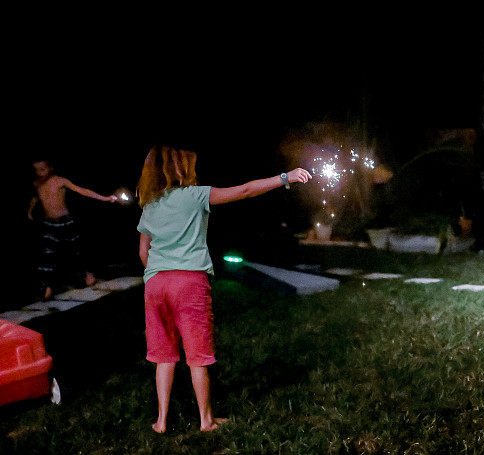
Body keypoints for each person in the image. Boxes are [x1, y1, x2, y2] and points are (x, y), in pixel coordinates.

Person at [136, 145, 311, 433]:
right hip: (189, 281)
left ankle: (162, 421)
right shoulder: (196, 195)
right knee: (196, 355)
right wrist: (284, 177)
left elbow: (144, 252)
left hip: (155, 283)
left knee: (163, 355)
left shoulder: (151, 204)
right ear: (177, 168)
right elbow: (244, 190)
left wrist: (158, 274)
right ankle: (206, 420)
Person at [28, 159, 118, 301]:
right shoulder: (37, 184)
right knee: (46, 256)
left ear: (50, 168)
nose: (40, 173)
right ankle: (47, 289)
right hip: (49, 224)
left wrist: (105, 198)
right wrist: (30, 211)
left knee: (77, 252)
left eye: (42, 169)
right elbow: (36, 198)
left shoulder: (59, 180)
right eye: (37, 170)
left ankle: (89, 278)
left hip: (65, 222)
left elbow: (81, 190)